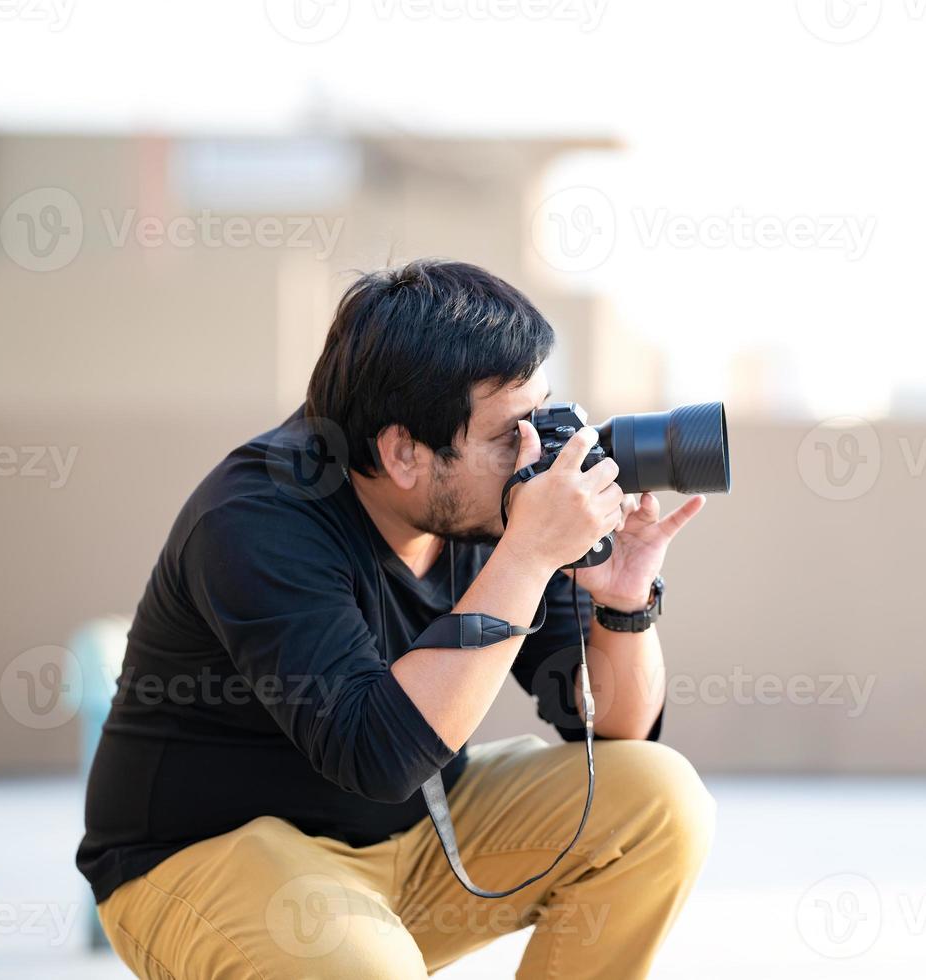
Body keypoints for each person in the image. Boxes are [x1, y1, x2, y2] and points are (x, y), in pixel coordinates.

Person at [76, 258, 713, 979]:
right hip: (207, 858)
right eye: (512, 432)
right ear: (404, 452)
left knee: (659, 800)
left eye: (545, 412)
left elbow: (610, 730)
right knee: (355, 967)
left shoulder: (498, 509)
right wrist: (528, 557)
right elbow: (376, 756)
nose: (544, 449)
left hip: (411, 845)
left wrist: (623, 605)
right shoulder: (258, 518)